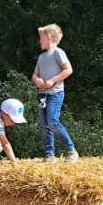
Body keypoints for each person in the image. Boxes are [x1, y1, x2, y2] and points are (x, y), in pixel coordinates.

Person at [32, 24, 78, 164]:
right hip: (42, 95)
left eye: (41, 37)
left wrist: (52, 80)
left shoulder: (58, 52)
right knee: (45, 126)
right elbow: (34, 74)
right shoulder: (41, 57)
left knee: (53, 122)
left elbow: (68, 70)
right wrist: (37, 80)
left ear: (48, 37)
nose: (39, 41)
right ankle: (49, 155)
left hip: (55, 94)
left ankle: (71, 151)